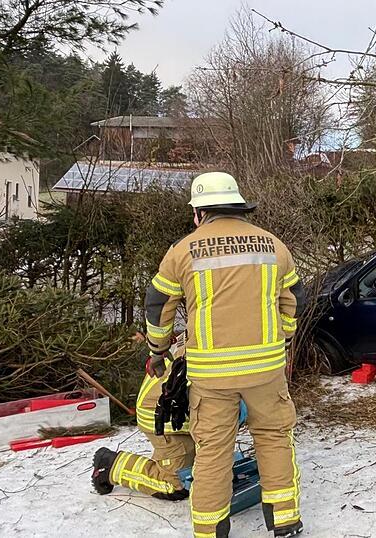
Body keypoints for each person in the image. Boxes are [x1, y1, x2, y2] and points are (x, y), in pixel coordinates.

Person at [144, 172, 302, 538]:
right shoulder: (273, 245)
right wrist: (285, 340)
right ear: (240, 207)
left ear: (199, 212)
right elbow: (294, 299)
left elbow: (158, 304)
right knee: (274, 439)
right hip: (266, 370)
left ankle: (210, 529)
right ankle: (285, 520)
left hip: (212, 376)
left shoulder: (183, 250)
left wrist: (158, 351)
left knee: (213, 450)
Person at [91, 332, 194, 501]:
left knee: (202, 470)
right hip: (165, 416)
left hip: (175, 407)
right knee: (177, 485)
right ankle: (110, 465)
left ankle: (172, 460)